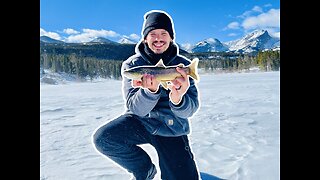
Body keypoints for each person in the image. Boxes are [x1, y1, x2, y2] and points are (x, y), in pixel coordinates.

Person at [92, 10, 200, 180]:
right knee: (104, 139)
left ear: (171, 37)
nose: (158, 39)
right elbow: (135, 109)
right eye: (153, 34)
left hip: (172, 127)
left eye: (164, 33)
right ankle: (144, 169)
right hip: (140, 121)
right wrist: (150, 92)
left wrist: (178, 98)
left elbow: (189, 111)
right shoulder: (133, 65)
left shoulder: (183, 66)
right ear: (145, 38)